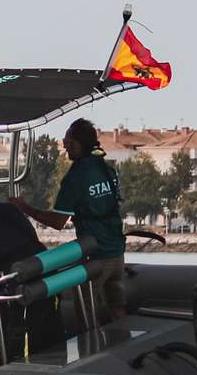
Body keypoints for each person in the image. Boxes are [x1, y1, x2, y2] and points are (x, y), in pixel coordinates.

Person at [13, 117, 128, 321]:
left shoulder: (76, 177)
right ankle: (125, 346)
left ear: (78, 144)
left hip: (96, 255)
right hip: (117, 253)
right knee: (116, 308)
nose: (65, 146)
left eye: (68, 141)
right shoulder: (107, 169)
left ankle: (92, 351)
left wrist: (25, 208)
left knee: (86, 313)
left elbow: (58, 222)